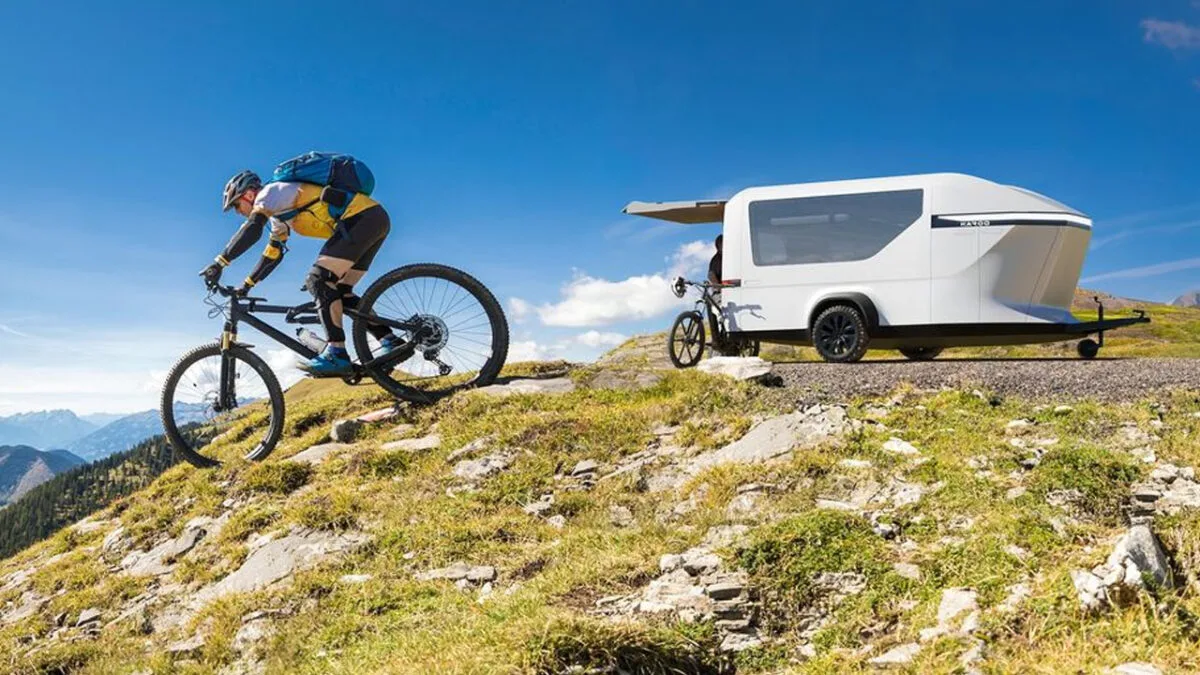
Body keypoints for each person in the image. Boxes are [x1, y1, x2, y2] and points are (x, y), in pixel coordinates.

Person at [199, 169, 402, 377]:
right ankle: (390, 340)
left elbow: (252, 228)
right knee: (341, 291)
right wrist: (247, 285)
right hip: (371, 220)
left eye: (236, 205)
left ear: (249, 195)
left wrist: (219, 263)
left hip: (360, 220)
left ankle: (336, 353)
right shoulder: (278, 215)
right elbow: (273, 254)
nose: (238, 212)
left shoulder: (269, 194)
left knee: (318, 280)